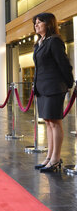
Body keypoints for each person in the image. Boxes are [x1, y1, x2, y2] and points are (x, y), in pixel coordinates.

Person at [33, 12, 74, 172]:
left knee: (55, 123)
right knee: (49, 123)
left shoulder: (54, 41)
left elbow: (63, 64)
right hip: (42, 87)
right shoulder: (39, 43)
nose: (36, 25)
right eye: (35, 22)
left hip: (54, 86)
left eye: (39, 22)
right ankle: (49, 157)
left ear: (48, 24)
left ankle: (56, 159)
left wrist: (69, 83)